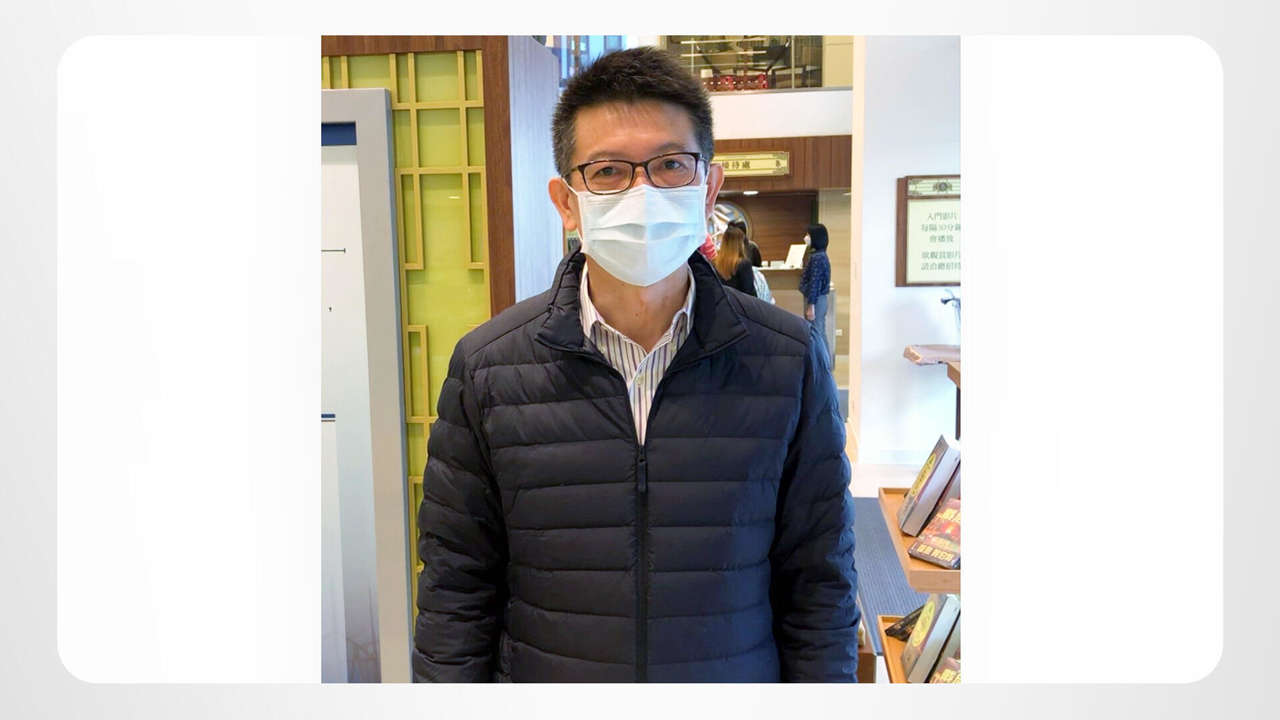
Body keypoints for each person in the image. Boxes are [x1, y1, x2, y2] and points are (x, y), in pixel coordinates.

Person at [413, 46, 857, 683]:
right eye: (608, 171)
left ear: (709, 188)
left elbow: (820, 585)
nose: (643, 192)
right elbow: (456, 592)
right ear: (567, 202)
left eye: (671, 165)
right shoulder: (489, 369)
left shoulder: (787, 361)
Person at [799, 223, 834, 368]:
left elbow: (815, 282)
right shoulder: (820, 255)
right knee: (819, 332)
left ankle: (823, 365)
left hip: (816, 301)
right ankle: (824, 364)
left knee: (817, 333)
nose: (806, 238)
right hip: (819, 300)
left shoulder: (817, 258)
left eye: (808, 235)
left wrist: (811, 305)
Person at [712, 223, 758, 297]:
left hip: (721, 302)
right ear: (740, 244)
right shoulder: (744, 264)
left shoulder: (714, 263)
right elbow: (750, 293)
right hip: (740, 303)